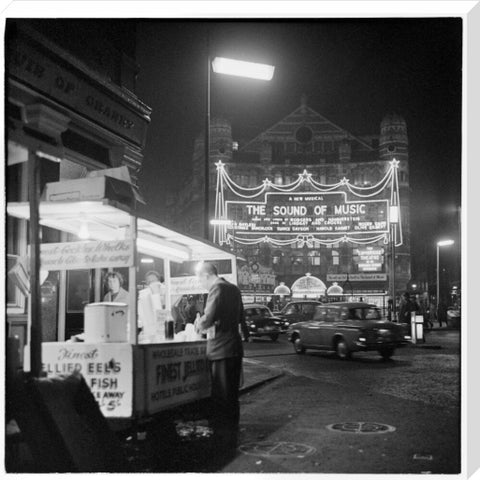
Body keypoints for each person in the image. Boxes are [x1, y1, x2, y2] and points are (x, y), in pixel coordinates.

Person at [194, 262, 249, 452]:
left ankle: (223, 437)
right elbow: (242, 317)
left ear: (206, 275)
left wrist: (197, 325)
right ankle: (231, 430)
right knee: (232, 394)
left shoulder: (217, 289)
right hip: (234, 347)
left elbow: (208, 318)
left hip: (220, 349)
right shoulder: (233, 289)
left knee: (222, 394)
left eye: (200, 279)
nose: (201, 284)